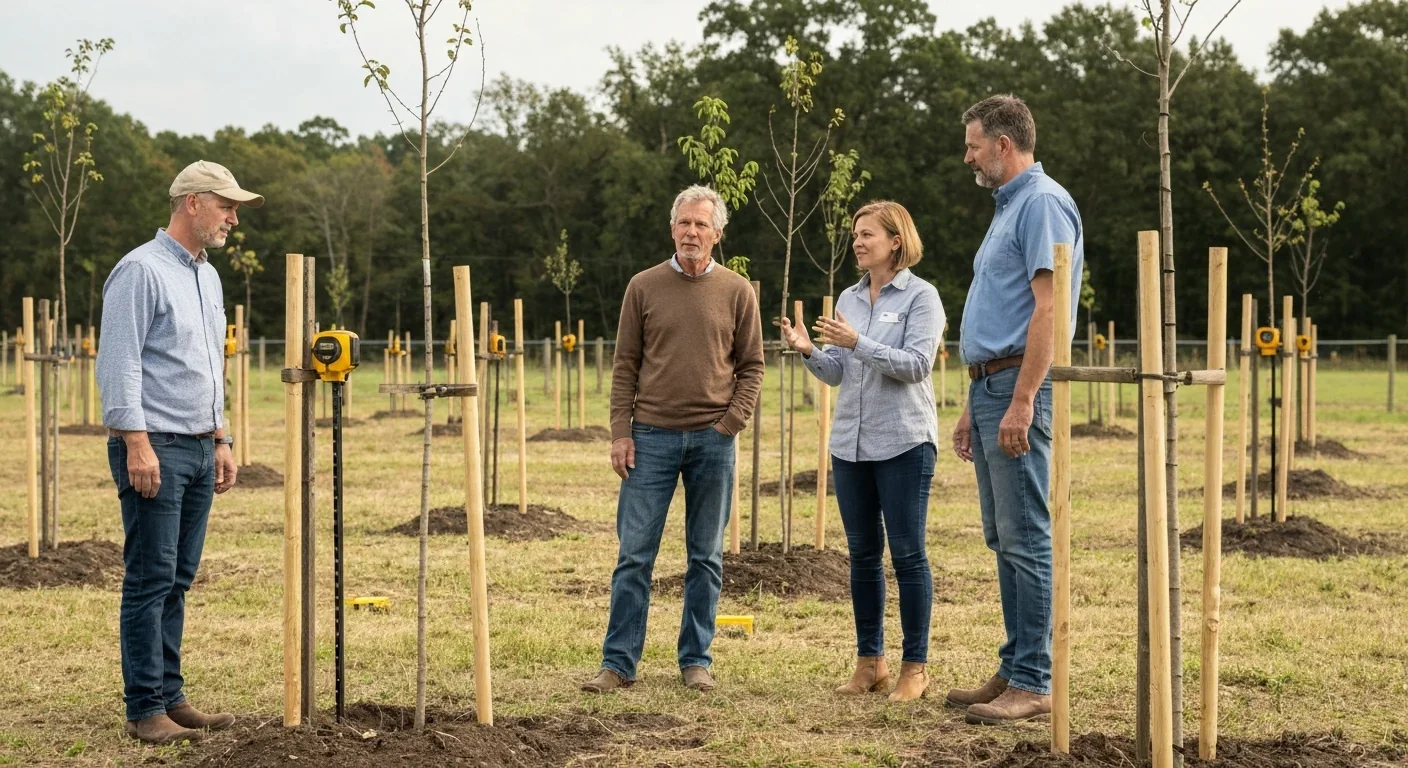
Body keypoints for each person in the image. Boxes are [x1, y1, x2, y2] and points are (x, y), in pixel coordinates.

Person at [97, 160, 263, 744]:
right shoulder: (140, 271)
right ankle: (145, 709)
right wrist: (137, 445)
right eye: (226, 206)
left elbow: (208, 365)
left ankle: (171, 696)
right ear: (192, 202)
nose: (233, 218)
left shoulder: (207, 276)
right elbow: (119, 364)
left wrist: (221, 438)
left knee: (178, 578)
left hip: (197, 445)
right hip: (155, 447)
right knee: (150, 577)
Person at [581, 185, 766, 694]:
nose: (691, 232)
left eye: (701, 225)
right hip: (651, 438)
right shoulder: (642, 286)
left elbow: (751, 366)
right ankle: (618, 664)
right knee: (634, 554)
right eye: (683, 223)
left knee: (705, 556)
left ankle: (695, 659)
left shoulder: (737, 290)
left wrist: (729, 424)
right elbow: (625, 367)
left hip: (713, 440)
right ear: (672, 229)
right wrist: (621, 432)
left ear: (717, 234)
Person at [945, 95, 1083, 725]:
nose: (968, 155)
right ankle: (1016, 662)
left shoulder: (1042, 203)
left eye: (974, 145)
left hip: (1016, 385)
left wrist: (1023, 397)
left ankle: (1035, 679)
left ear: (1004, 144)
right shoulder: (1009, 208)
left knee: (1026, 536)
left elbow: (1047, 309)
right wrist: (977, 401)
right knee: (1004, 537)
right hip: (991, 385)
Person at [779, 200, 943, 702]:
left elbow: (917, 364)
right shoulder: (848, 298)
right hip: (849, 444)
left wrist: (860, 342)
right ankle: (870, 662)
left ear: (896, 240)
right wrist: (809, 350)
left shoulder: (922, 297)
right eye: (855, 234)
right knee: (862, 556)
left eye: (867, 233)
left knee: (909, 555)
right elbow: (838, 371)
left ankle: (915, 667)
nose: (858, 241)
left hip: (903, 442)